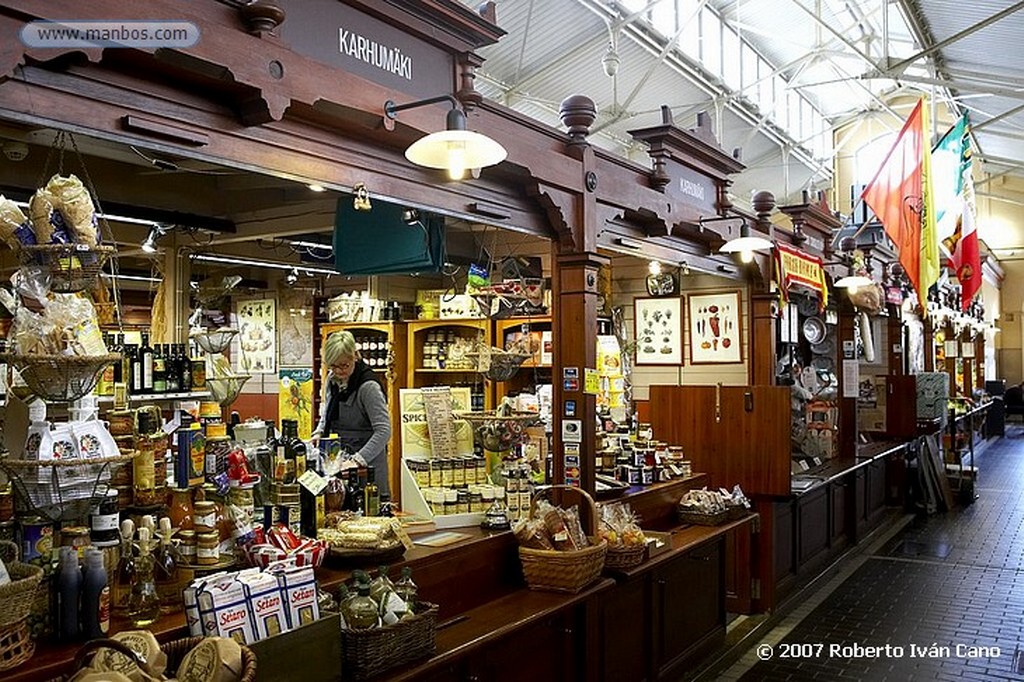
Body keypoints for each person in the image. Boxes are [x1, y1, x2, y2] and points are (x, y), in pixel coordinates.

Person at [313, 330, 392, 498]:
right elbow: (327, 410)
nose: (339, 371)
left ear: (355, 356)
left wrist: (357, 460)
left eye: (344, 365)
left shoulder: (368, 387)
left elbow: (384, 431)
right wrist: (320, 431)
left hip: (368, 463)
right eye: (333, 366)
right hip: (341, 458)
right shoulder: (332, 379)